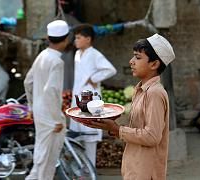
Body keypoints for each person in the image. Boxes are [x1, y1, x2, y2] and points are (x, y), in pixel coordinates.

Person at [83, 33, 175, 180]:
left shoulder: (155, 93)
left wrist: (117, 129)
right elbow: (137, 127)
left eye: (138, 57)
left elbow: (152, 137)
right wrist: (110, 126)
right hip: (134, 167)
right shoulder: (140, 90)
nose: (131, 61)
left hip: (146, 171)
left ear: (154, 64)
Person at [24, 20, 69, 180]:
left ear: (49, 39)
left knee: (41, 159)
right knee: (46, 162)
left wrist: (31, 106)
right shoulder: (56, 61)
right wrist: (56, 119)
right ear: (66, 39)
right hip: (50, 116)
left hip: (40, 112)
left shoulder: (42, 56)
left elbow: (27, 82)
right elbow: (51, 90)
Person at [69, 24, 117, 166]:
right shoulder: (77, 54)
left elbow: (110, 70)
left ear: (88, 39)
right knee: (77, 136)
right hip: (77, 97)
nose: (75, 41)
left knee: (89, 137)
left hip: (90, 98)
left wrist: (94, 78)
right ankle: (80, 170)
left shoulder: (95, 54)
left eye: (78, 38)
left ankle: (91, 171)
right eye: (75, 38)